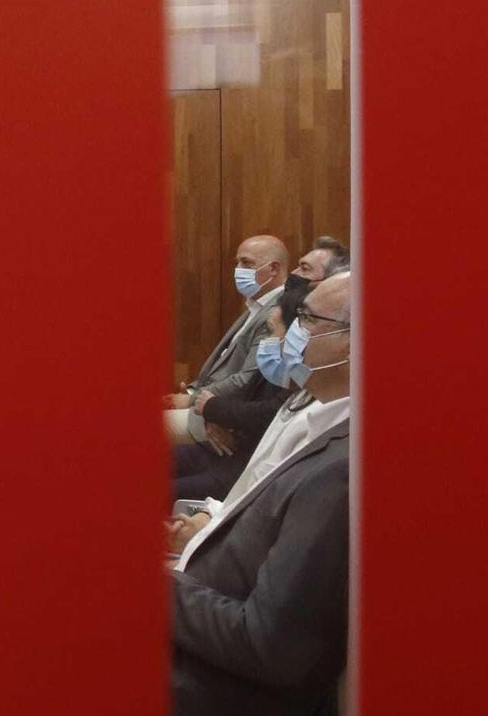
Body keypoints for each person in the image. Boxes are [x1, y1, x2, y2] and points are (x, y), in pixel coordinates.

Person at [167, 273, 354, 715]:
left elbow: (269, 644)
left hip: (216, 689)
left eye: (307, 319)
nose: (292, 331)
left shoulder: (341, 467)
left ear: (352, 342)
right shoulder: (317, 414)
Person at [171, 236, 351, 499]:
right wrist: (214, 413)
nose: (295, 275)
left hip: (235, 468)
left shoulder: (326, 393)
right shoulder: (301, 379)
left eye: (308, 320)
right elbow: (254, 392)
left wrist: (209, 406)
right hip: (230, 449)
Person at [164, 235, 290, 414]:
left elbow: (248, 378)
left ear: (273, 269)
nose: (238, 270)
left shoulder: (277, 312)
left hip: (225, 413)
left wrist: (192, 399)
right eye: (237, 263)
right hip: (205, 401)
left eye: (246, 263)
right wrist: (192, 390)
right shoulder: (255, 306)